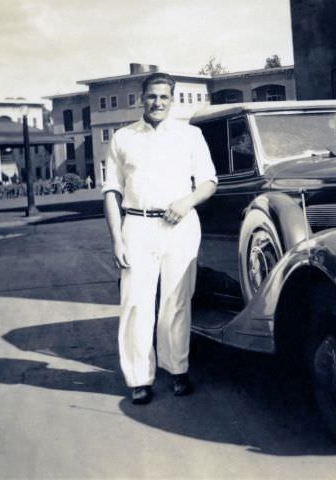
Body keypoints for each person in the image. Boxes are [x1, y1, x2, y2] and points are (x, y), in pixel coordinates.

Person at [102, 72, 217, 405]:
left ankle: (177, 370)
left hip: (180, 226)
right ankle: (140, 378)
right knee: (137, 303)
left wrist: (186, 202)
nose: (157, 102)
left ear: (173, 99)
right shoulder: (123, 138)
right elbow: (111, 191)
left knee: (176, 302)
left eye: (164, 97)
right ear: (142, 98)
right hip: (137, 226)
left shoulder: (190, 135)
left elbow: (209, 182)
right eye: (152, 96)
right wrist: (117, 240)